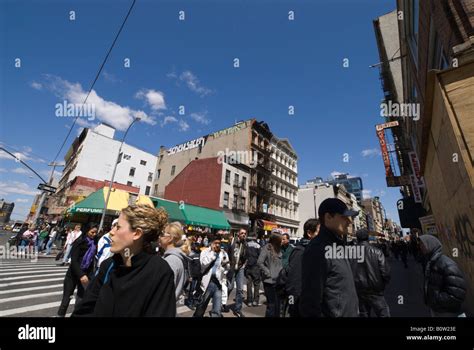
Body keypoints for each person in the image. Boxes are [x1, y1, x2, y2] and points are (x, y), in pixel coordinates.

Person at [72, 204, 176, 317]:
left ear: (136, 233)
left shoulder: (159, 271)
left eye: (118, 227)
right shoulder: (108, 265)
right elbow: (84, 310)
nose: (111, 232)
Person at [299, 198, 359, 317]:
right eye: (344, 216)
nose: (349, 222)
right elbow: (310, 303)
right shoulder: (318, 249)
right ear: (328, 217)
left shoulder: (337, 245)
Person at [418, 235, 467, 317]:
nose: (420, 247)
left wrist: (437, 299)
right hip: (437, 309)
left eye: (422, 244)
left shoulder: (446, 264)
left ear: (430, 245)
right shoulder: (431, 262)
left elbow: (457, 293)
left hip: (447, 312)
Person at [57, 226, 98, 317]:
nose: (94, 234)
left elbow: (91, 261)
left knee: (81, 299)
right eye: (92, 232)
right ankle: (60, 315)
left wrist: (90, 275)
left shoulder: (94, 244)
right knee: (66, 299)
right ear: (87, 231)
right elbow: (74, 261)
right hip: (73, 274)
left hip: (85, 275)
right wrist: (81, 274)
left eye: (95, 233)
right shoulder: (79, 242)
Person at [284, 218, 320, 317]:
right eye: (319, 232)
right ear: (309, 233)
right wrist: (293, 306)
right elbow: (293, 283)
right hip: (301, 307)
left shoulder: (315, 250)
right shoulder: (301, 252)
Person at [353, 229, 391, 317]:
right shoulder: (377, 251)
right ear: (368, 238)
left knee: (363, 313)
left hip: (359, 288)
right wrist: (383, 284)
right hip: (375, 289)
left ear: (357, 238)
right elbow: (385, 272)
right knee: (383, 313)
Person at [193, 236, 230, 317]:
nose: (217, 245)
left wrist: (223, 272)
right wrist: (213, 253)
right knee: (201, 307)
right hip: (207, 283)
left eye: (219, 243)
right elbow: (203, 265)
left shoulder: (223, 253)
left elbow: (227, 266)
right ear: (211, 243)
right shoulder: (205, 252)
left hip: (218, 284)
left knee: (217, 309)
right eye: (215, 243)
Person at [160, 221, 189, 301]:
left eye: (162, 234)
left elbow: (165, 291)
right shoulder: (173, 257)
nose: (159, 237)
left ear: (170, 238)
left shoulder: (171, 260)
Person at [257, 231, 283, 317]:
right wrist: (268, 273)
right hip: (269, 282)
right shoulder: (266, 248)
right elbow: (260, 262)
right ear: (276, 240)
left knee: (278, 305)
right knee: (271, 305)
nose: (282, 241)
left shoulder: (279, 248)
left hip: (279, 281)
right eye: (281, 239)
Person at [227, 228, 248, 317]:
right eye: (242, 233)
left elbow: (247, 256)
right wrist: (227, 264)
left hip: (240, 268)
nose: (244, 234)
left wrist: (244, 265)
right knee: (230, 287)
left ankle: (238, 309)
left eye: (245, 233)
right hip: (231, 268)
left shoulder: (245, 244)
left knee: (240, 289)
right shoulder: (232, 241)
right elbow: (227, 252)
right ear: (238, 234)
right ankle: (222, 303)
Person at [245, 233, 262, 307]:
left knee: (249, 284)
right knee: (256, 284)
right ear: (255, 237)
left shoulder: (246, 245)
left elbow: (244, 255)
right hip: (256, 267)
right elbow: (260, 257)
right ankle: (255, 301)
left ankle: (249, 301)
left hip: (248, 266)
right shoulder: (258, 246)